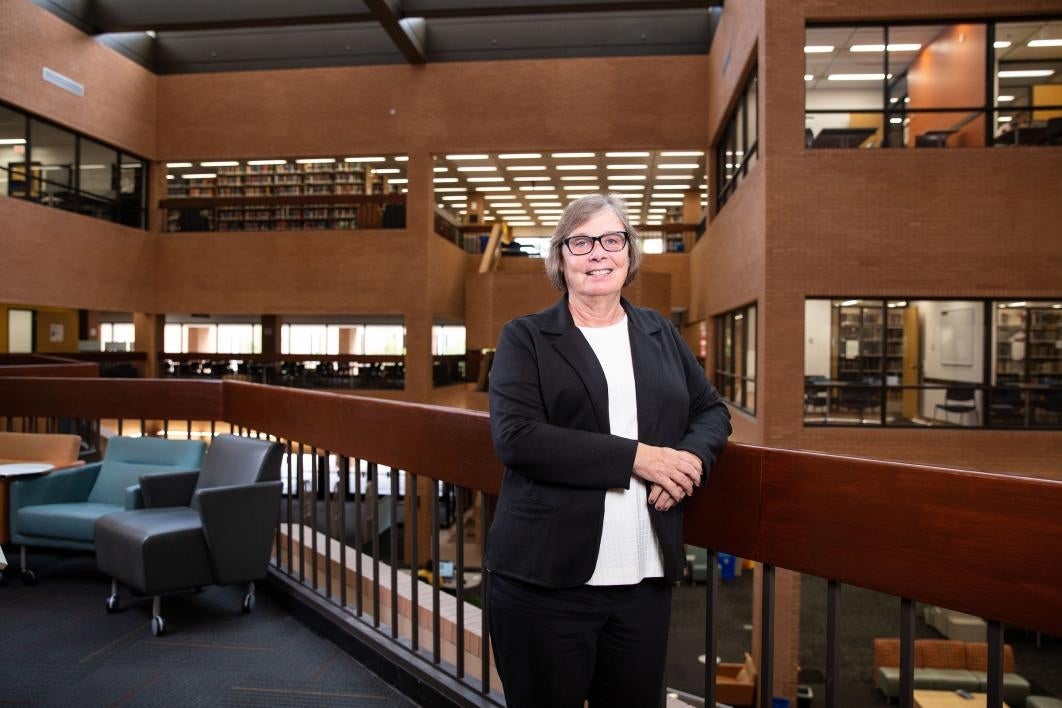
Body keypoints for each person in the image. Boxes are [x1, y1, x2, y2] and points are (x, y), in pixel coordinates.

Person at [485, 193, 732, 708]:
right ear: (561, 258)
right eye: (581, 241)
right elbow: (518, 437)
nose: (598, 253)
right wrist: (640, 458)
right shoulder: (526, 337)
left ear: (629, 253)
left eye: (611, 239)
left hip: (643, 584)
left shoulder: (659, 332)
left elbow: (711, 411)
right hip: (546, 585)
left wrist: (686, 463)